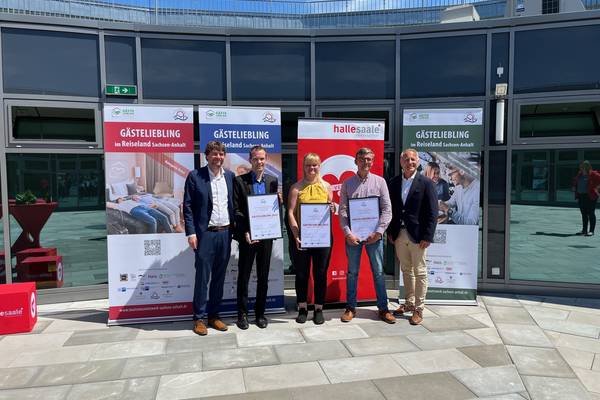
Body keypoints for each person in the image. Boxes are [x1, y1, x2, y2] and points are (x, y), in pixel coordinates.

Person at [183, 141, 235, 336]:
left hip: (225, 233)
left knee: (219, 278)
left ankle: (214, 315)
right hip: (205, 235)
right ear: (206, 156)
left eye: (221, 154)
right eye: (214, 154)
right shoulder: (195, 176)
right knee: (202, 278)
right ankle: (199, 318)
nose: (218, 157)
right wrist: (191, 233)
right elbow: (187, 206)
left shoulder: (229, 177)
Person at [338, 148, 395, 324]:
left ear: (373, 161)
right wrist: (348, 233)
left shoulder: (380, 182)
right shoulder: (347, 184)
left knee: (378, 272)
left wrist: (378, 232)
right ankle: (350, 307)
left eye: (369, 159)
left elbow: (387, 210)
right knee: (352, 272)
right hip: (353, 236)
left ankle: (383, 308)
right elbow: (343, 211)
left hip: (374, 237)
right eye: (362, 159)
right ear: (356, 161)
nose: (365, 162)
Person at [388, 149, 437, 325]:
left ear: (417, 161)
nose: (410, 162)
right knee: (406, 270)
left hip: (418, 236)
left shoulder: (426, 183)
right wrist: (390, 232)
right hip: (399, 234)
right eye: (407, 159)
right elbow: (390, 209)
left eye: (413, 159)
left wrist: (428, 236)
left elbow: (433, 212)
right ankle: (408, 303)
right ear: (401, 162)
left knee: (420, 271)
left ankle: (419, 308)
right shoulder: (393, 182)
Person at [233, 145, 280, 329]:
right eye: (255, 159)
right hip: (248, 237)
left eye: (262, 159)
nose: (259, 162)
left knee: (263, 275)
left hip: (266, 236)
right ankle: (242, 314)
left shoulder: (272, 181)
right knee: (244, 276)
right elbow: (236, 210)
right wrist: (244, 231)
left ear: (266, 159)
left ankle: (260, 313)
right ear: (250, 160)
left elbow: (274, 209)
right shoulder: (240, 181)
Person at [287, 153, 333, 325]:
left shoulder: (327, 186)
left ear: (319, 166)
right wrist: (296, 234)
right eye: (308, 165)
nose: (312, 168)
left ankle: (319, 308)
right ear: (304, 166)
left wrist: (333, 207)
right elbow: (290, 212)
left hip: (322, 238)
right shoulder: (296, 188)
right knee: (302, 274)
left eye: (315, 165)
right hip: (302, 238)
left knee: (320, 273)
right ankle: (302, 308)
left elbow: (330, 209)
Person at [572, 160, 600, 237]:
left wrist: (597, 190)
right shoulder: (579, 175)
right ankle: (584, 230)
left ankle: (591, 231)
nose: (580, 167)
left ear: (586, 166)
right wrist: (574, 187)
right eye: (580, 166)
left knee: (591, 213)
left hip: (590, 196)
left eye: (582, 166)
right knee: (584, 214)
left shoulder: (593, 174)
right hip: (581, 196)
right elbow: (575, 182)